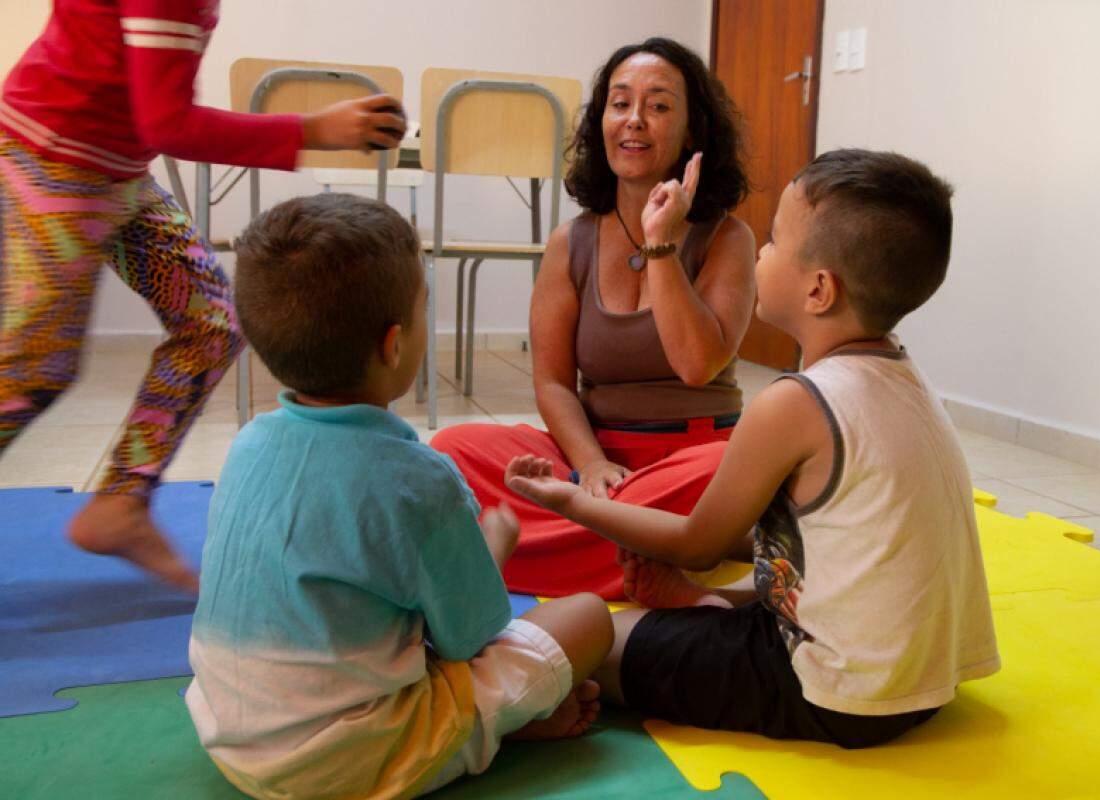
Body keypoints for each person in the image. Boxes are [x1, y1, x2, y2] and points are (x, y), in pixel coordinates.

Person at [506, 149, 1001, 748]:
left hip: (831, 690)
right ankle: (711, 607)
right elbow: (827, 545)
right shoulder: (901, 372)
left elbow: (699, 543)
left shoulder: (796, 401)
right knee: (676, 603)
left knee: (587, 632)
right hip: (920, 680)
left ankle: (472, 708)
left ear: (818, 289)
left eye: (772, 240)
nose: (760, 252)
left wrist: (569, 501)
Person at [185, 194, 614, 799]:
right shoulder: (419, 479)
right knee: (588, 617)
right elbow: (469, 638)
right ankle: (487, 733)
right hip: (353, 758)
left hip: (228, 733)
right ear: (394, 345)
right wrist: (495, 542)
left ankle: (493, 723)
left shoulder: (247, 443)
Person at [0, 0, 406, 590]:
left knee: (213, 323)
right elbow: (168, 125)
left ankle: (121, 503)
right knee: (35, 367)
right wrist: (313, 129)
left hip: (116, 168)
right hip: (52, 158)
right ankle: (122, 502)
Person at [431, 37, 756, 600]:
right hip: (595, 463)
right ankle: (646, 552)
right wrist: (590, 466)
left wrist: (661, 247)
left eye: (658, 106)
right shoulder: (570, 241)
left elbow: (698, 364)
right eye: (619, 102)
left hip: (693, 465)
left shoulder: (728, 238)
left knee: (735, 472)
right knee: (452, 450)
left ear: (692, 132)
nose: (634, 120)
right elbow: (554, 382)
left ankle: (521, 548)